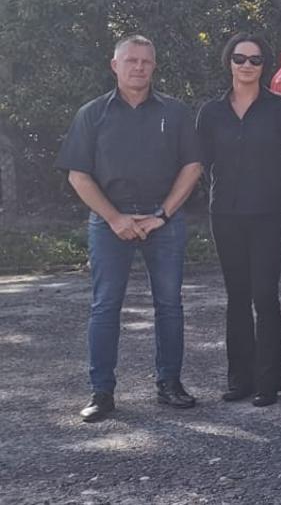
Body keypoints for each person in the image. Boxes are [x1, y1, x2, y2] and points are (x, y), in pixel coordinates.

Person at [58, 35, 205, 423]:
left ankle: (170, 384)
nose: (138, 67)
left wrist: (163, 215)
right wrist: (115, 218)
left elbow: (192, 166)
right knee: (105, 306)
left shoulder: (175, 112)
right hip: (110, 223)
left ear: (154, 66)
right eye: (131, 60)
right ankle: (101, 392)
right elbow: (78, 175)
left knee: (169, 305)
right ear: (115, 65)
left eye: (145, 61)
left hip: (163, 222)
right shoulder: (92, 114)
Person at [196, 34, 281, 406]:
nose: (246, 66)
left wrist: (280, 191)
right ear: (228, 61)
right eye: (240, 58)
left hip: (268, 213)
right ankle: (239, 380)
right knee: (237, 296)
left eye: (255, 60)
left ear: (265, 65)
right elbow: (201, 162)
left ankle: (267, 383)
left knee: (265, 294)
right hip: (225, 214)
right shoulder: (211, 112)